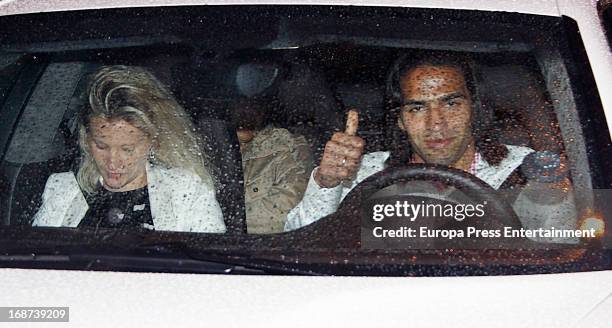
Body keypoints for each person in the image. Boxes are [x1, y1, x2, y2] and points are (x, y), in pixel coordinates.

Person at [285, 52, 577, 243]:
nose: (436, 123)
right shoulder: (363, 172)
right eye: (417, 108)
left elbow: (556, 257)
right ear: (399, 119)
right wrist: (326, 183)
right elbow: (300, 243)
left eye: (451, 103)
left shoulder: (523, 173)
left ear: (474, 108)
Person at [32, 65, 226, 233]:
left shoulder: (187, 190)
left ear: (153, 142)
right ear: (86, 139)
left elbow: (208, 268)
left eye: (127, 149)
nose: (113, 162)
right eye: (101, 146)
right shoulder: (62, 189)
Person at [230, 97, 314, 234]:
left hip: (260, 250)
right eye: (240, 101)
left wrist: (222, 218)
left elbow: (284, 215)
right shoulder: (202, 146)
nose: (246, 108)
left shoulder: (287, 147)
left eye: (254, 101)